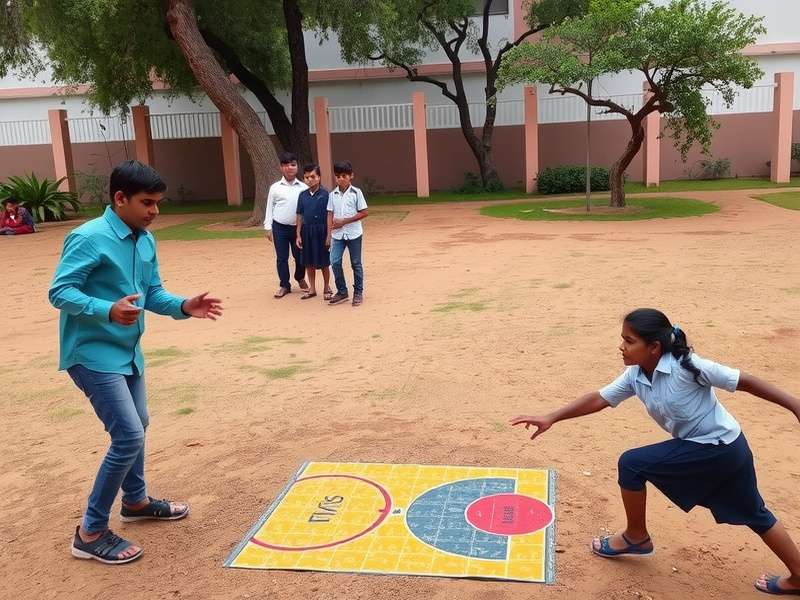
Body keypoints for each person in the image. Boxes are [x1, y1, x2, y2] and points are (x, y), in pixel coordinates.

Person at [510, 308, 800, 596]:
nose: (622, 346)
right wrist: (551, 417)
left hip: (718, 448)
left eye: (629, 340)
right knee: (754, 513)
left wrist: (794, 404)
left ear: (654, 347)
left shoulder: (688, 366)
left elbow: (744, 380)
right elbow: (599, 398)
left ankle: (636, 536)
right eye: (622, 339)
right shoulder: (635, 375)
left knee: (632, 464)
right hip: (728, 448)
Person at [49, 160, 223, 565]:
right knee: (128, 435)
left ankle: (136, 502)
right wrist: (106, 309)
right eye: (147, 202)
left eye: (158, 203)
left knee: (138, 426)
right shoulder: (87, 238)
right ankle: (90, 531)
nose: (154, 211)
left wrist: (183, 305)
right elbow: (60, 292)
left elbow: (152, 294)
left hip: (128, 354)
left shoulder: (144, 240)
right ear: (120, 198)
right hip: (91, 354)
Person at [264, 152, 308, 298]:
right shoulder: (275, 188)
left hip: (298, 229)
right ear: (281, 167)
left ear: (297, 167)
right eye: (286, 165)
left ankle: (300, 277)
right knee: (282, 257)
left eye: (293, 164)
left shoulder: (303, 187)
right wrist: (268, 227)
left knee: (300, 255)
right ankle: (284, 285)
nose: (289, 168)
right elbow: (269, 208)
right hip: (279, 227)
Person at [327, 161, 369, 307]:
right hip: (337, 235)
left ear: (351, 176)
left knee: (356, 263)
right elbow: (330, 214)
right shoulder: (333, 195)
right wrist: (328, 235)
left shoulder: (356, 193)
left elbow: (364, 212)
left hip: (354, 234)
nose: (340, 179)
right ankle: (342, 291)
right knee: (335, 261)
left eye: (344, 175)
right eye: (337, 176)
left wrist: (345, 221)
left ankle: (358, 292)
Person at [295, 164, 332, 301]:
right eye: (306, 177)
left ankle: (327, 287)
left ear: (319, 177)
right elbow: (299, 215)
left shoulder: (326, 194)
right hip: (306, 231)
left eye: (313, 177)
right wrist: (298, 235)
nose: (309, 179)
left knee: (323, 262)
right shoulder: (302, 195)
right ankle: (312, 288)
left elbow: (330, 215)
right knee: (308, 262)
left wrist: (329, 235)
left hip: (321, 231)